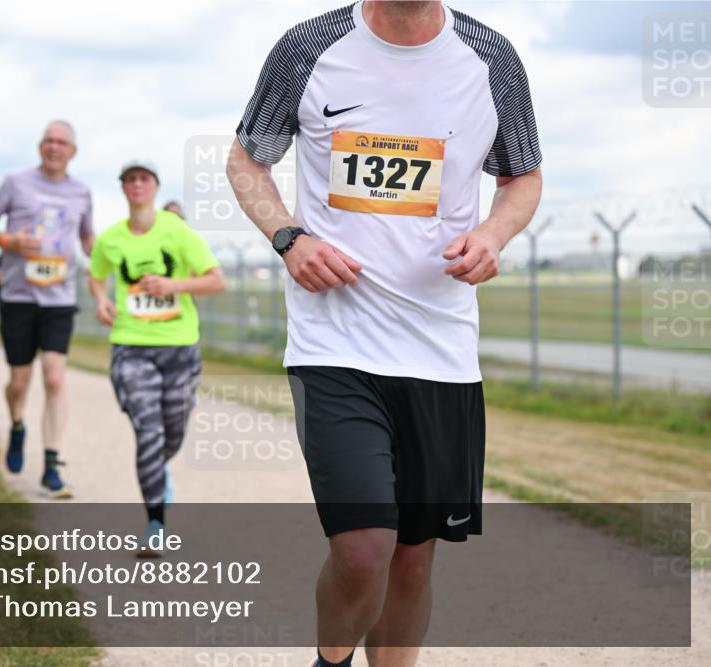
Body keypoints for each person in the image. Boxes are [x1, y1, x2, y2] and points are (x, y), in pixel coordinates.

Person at [227, 1, 543, 665]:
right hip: (334, 345)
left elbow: (523, 177)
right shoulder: (309, 47)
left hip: (442, 352)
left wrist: (493, 232)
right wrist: (289, 237)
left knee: (412, 563)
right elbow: (245, 162)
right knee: (364, 549)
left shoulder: (493, 59)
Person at [88, 160, 225, 555]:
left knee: (171, 433)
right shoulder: (110, 239)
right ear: (123, 189)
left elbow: (216, 280)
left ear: (154, 186)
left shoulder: (178, 233)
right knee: (149, 432)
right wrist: (100, 300)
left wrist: (172, 284)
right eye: (128, 179)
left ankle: (156, 472)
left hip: (180, 347)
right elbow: (95, 275)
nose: (136, 185)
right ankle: (155, 523)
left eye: (143, 179)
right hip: (130, 346)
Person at [0, 120, 95, 498]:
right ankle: (16, 426)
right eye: (48, 140)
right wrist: (10, 240)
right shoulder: (15, 182)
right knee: (19, 382)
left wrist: (110, 258)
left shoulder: (82, 192)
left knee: (55, 377)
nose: (54, 146)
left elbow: (87, 237)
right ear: (39, 147)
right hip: (17, 295)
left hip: (60, 297)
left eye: (62, 142)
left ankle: (51, 464)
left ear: (73, 152)